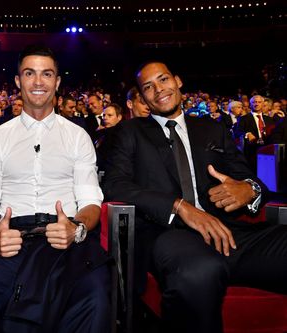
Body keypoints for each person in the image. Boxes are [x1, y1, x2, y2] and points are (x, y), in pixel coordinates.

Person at [102, 61, 287, 333]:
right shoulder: (130, 133)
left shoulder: (211, 129)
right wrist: (179, 207)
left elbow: (250, 178)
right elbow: (115, 185)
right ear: (142, 98)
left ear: (178, 81)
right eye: (148, 87)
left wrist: (248, 189)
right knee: (200, 271)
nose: (158, 90)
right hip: (169, 236)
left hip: (230, 233)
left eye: (163, 80)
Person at [0, 45, 111, 333]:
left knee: (94, 299)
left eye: (46, 74)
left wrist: (77, 229)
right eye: (29, 73)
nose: (38, 82)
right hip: (10, 236)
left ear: (57, 82)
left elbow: (90, 202)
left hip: (65, 237)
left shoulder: (78, 137)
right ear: (17, 81)